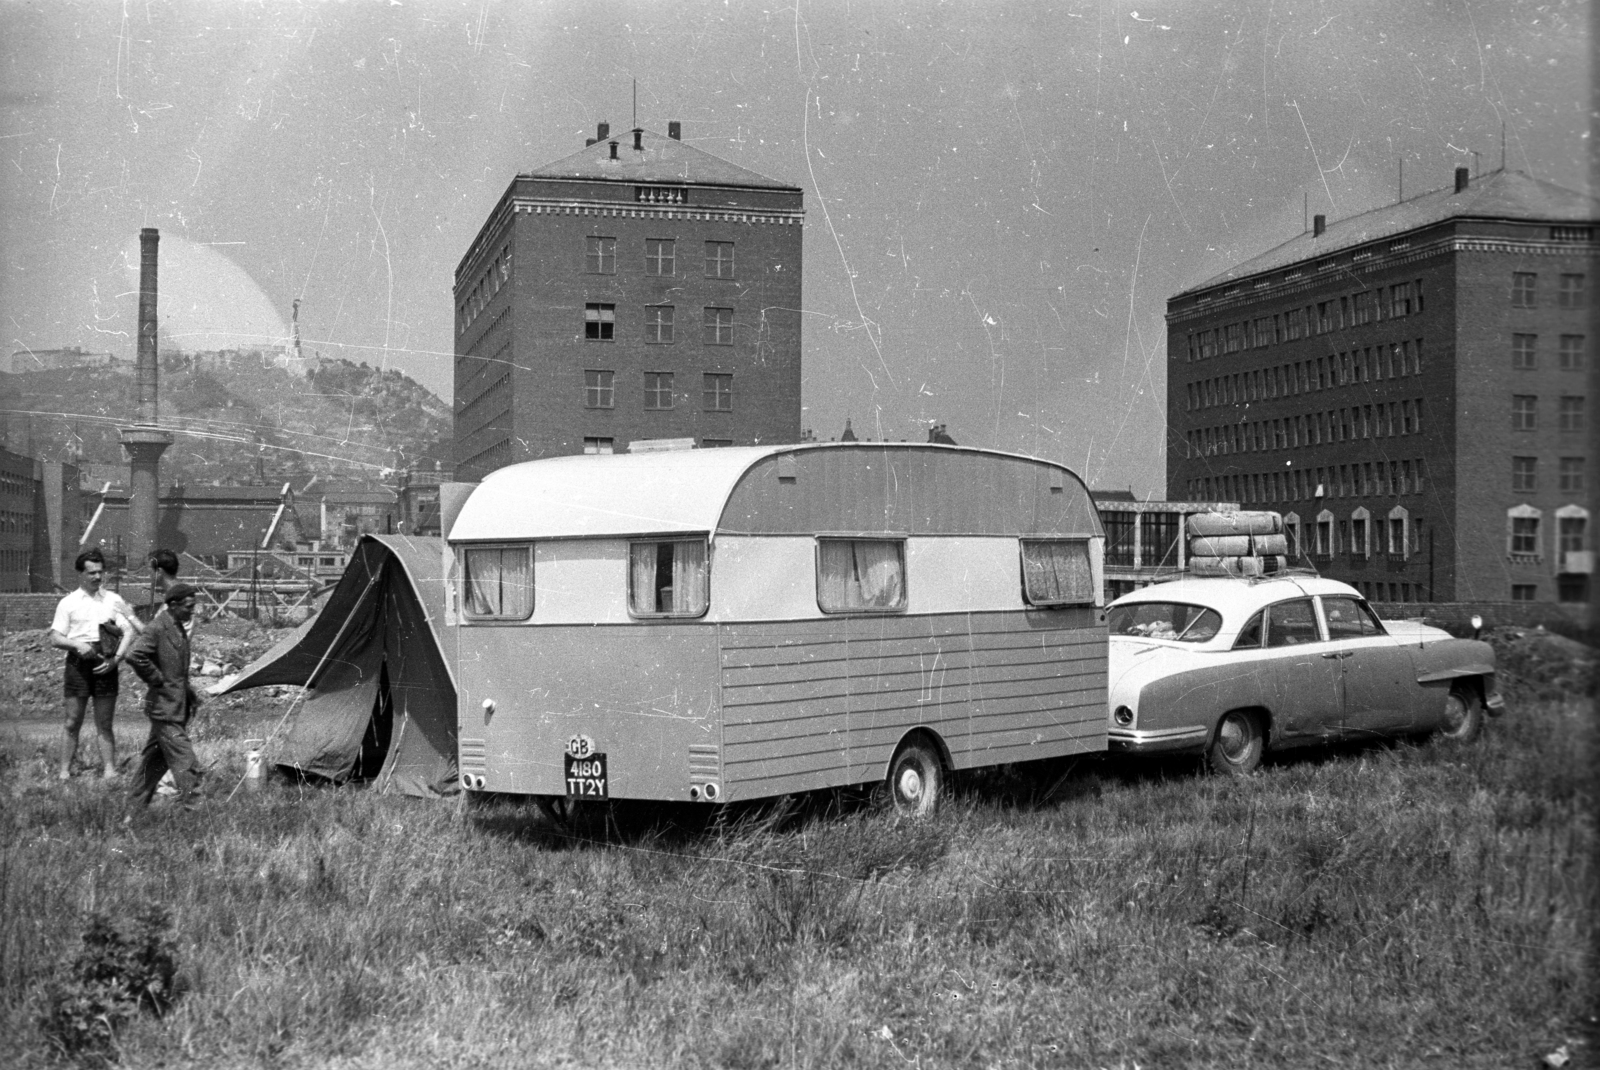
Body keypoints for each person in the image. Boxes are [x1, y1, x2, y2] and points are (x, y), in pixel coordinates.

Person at [49, 548, 141, 780]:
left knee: (105, 722)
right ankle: (64, 771)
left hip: (106, 662)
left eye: (100, 572)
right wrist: (77, 645)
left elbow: (128, 631)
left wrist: (116, 660)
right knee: (72, 721)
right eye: (91, 573)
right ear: (81, 574)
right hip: (78, 663)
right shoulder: (68, 603)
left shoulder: (113, 600)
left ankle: (109, 770)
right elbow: (55, 638)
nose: (97, 577)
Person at [126, 583, 204, 810]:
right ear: (173, 605)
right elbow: (134, 654)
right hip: (164, 708)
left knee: (154, 762)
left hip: (175, 706)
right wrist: (157, 679)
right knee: (185, 760)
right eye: (188, 606)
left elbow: (176, 670)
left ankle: (133, 808)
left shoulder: (178, 627)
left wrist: (188, 693)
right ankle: (196, 809)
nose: (192, 611)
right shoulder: (158, 627)